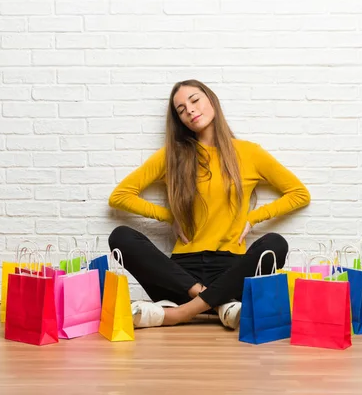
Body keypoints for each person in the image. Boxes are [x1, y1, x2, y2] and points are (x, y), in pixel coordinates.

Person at [107, 79, 311, 330]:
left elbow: (299, 193)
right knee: (121, 237)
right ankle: (219, 306)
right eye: (181, 110)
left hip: (231, 271)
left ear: (211, 100)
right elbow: (120, 196)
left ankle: (177, 314)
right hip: (181, 277)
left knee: (275, 244)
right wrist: (171, 217)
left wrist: (254, 217)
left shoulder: (249, 153)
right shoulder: (172, 156)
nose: (189, 110)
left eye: (194, 100)